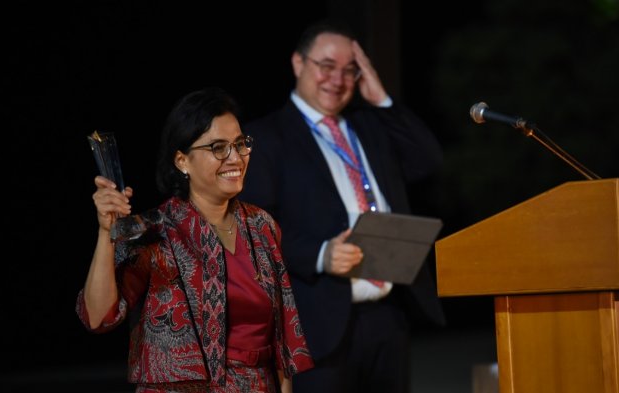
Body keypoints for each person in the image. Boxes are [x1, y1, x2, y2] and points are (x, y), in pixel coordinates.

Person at [239, 20, 446, 393]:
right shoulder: (267, 137)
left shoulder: (369, 125)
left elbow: (427, 160)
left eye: (350, 69)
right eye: (327, 66)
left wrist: (380, 97)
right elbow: (254, 230)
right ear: (298, 64)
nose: (338, 79)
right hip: (319, 319)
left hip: (388, 312)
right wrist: (319, 254)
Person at [76, 87, 314, 393]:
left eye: (240, 144)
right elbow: (98, 317)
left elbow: (281, 341)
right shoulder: (155, 230)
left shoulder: (261, 226)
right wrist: (105, 233)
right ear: (182, 161)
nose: (235, 158)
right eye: (218, 147)